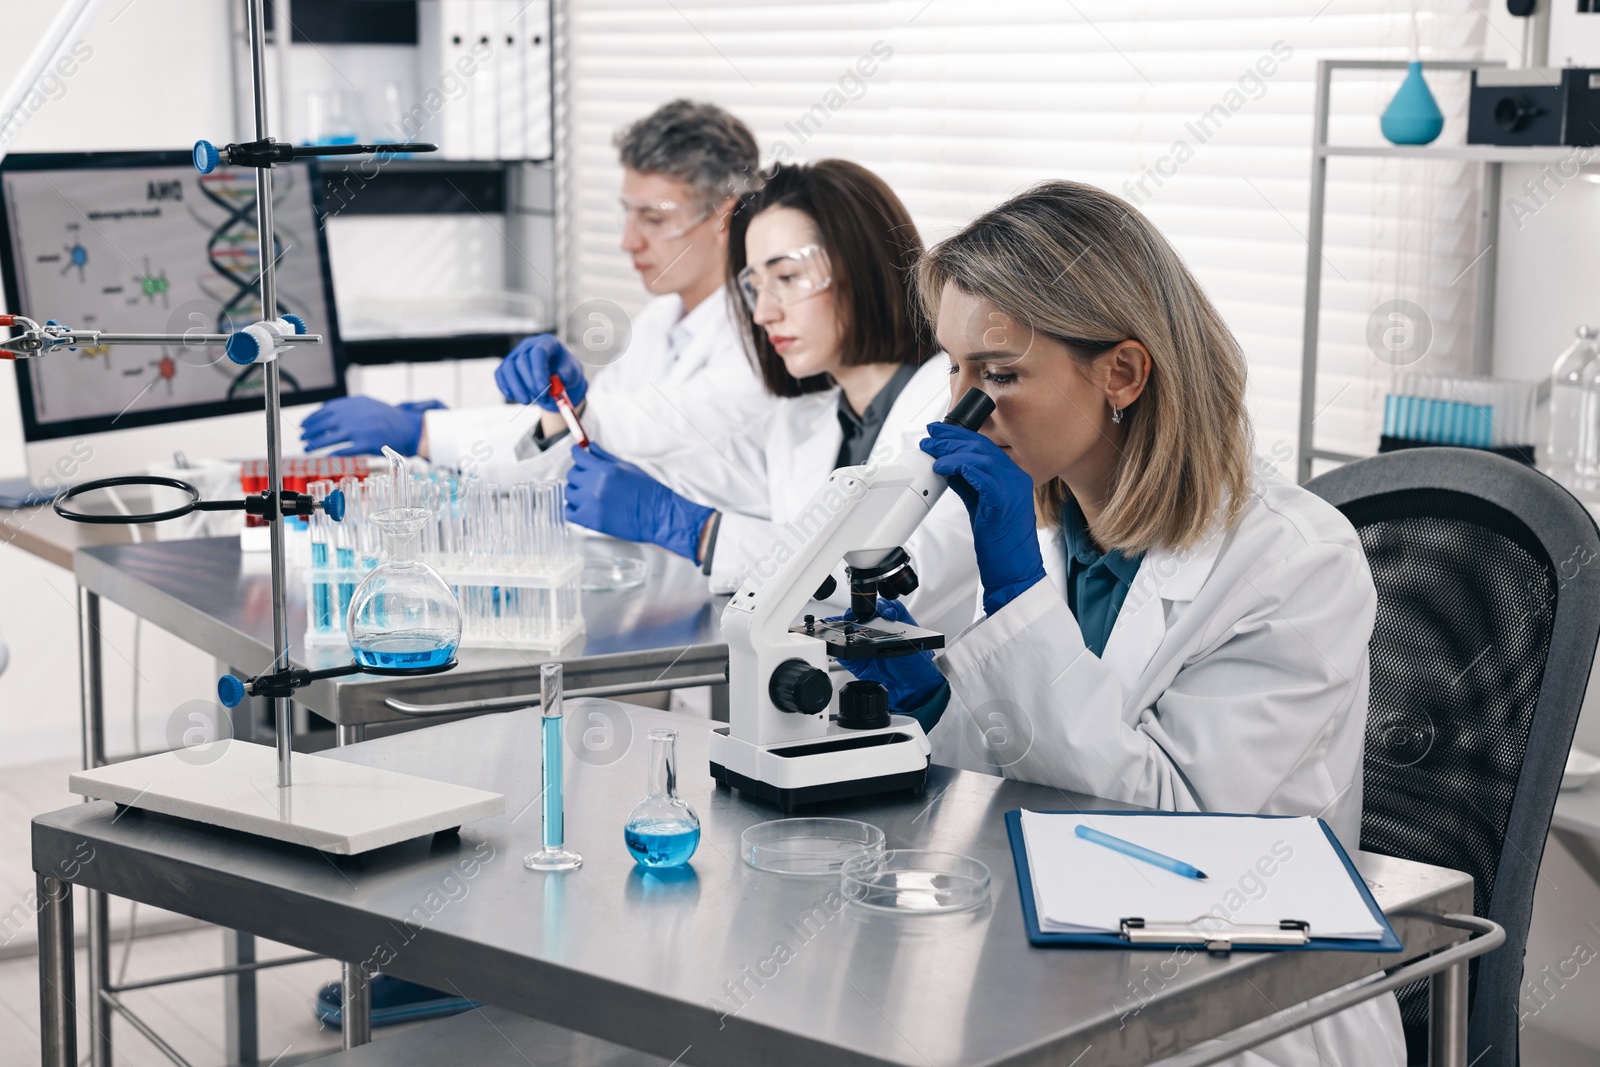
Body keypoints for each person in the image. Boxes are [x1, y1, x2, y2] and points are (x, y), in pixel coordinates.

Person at [842, 180, 1401, 1067]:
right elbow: (1029, 776)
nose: (963, 411)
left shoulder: (1298, 563)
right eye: (954, 370)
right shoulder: (1047, 524)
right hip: (1052, 953)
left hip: (1238, 992)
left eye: (1000, 376)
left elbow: (1169, 834)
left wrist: (1018, 600)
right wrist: (935, 707)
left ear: (1123, 373)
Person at [562, 159, 979, 643]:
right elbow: (675, 479)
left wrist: (700, 533)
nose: (763, 312)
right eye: (754, 286)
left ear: (863, 265)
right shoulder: (804, 423)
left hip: (927, 712)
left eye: (786, 278)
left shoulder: (955, 410)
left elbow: (904, 589)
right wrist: (569, 417)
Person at [300, 100, 775, 483]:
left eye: (653, 219)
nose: (628, 241)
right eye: (628, 215)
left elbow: (626, 430)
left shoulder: (764, 337)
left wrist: (426, 432)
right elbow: (564, 448)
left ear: (723, 217)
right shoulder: (661, 322)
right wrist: (453, 427)